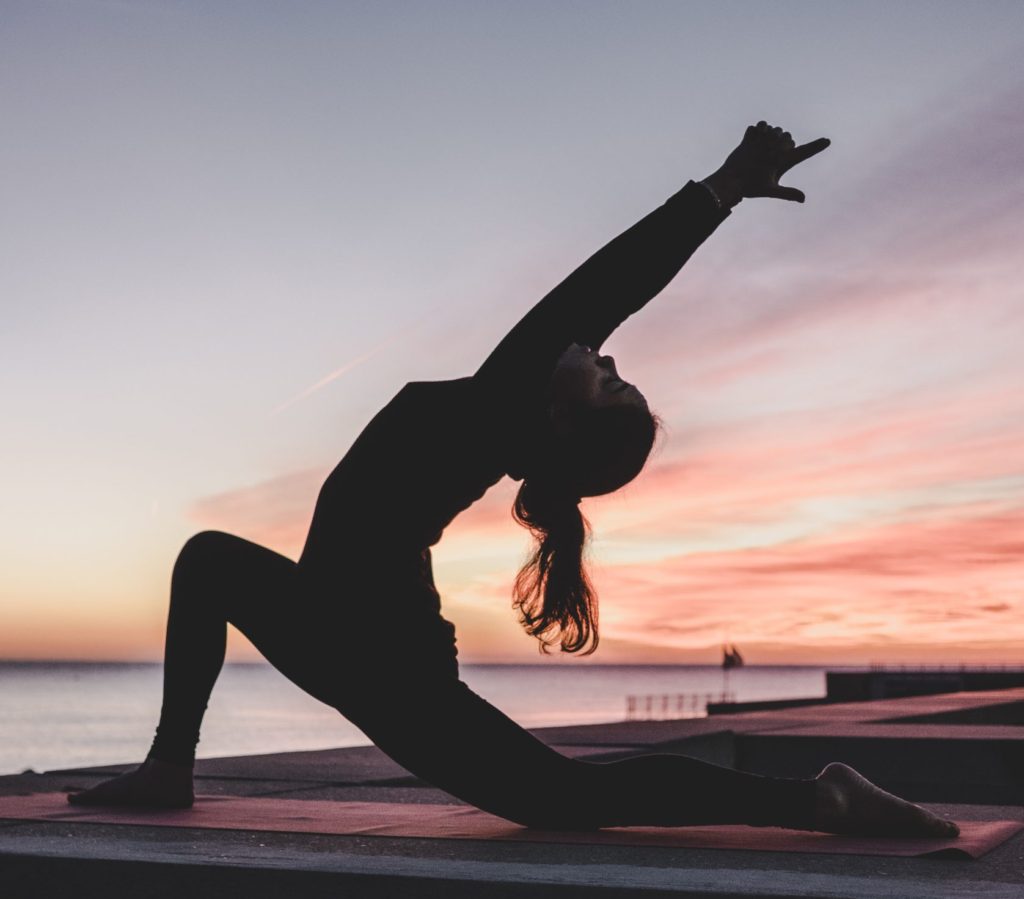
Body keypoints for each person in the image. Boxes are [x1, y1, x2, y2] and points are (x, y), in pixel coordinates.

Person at [69, 122, 958, 838]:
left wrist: (721, 189)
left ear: (562, 422)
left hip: (381, 660)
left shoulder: (504, 404)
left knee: (564, 803)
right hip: (335, 625)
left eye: (609, 379)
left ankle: (817, 799)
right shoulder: (499, 417)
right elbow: (600, 304)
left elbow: (606, 286)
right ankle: (170, 766)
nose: (602, 354)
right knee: (208, 559)